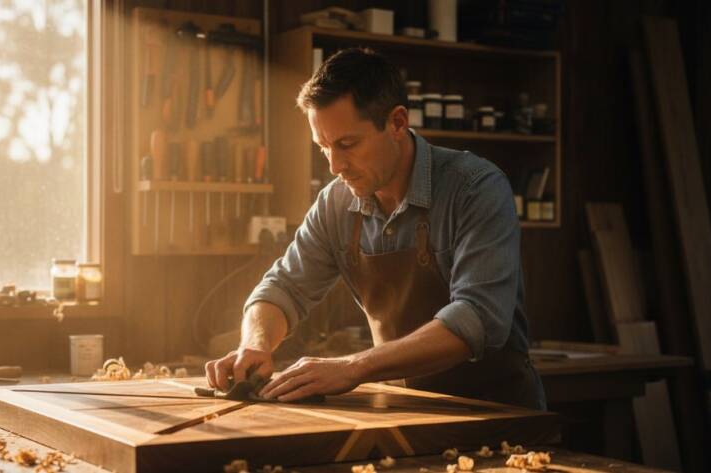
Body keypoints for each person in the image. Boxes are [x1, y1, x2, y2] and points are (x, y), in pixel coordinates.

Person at [204, 47, 545, 410]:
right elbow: (282, 289)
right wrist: (254, 344)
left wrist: (353, 367)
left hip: (496, 413)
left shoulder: (475, 188)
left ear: (397, 122)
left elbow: (477, 317)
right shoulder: (335, 203)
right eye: (323, 148)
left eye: (347, 144)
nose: (334, 166)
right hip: (403, 408)